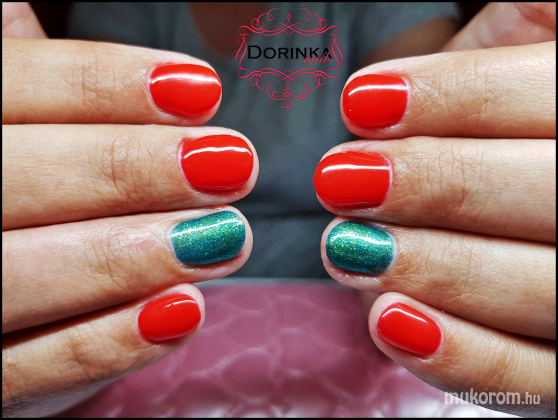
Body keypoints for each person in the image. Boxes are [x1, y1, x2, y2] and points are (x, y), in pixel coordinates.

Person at [2, 2, 555, 417]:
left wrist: (429, 231)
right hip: (158, 281)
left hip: (346, 291)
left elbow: (424, 136)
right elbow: (107, 177)